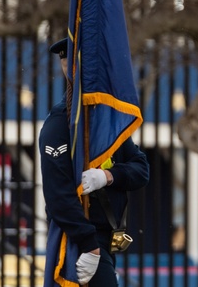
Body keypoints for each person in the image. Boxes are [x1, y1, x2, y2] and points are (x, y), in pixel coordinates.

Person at [39, 39, 149, 287]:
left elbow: (141, 169)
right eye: (66, 61)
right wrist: (89, 245)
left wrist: (108, 177)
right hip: (79, 239)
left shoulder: (107, 119)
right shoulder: (59, 124)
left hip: (105, 238)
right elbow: (58, 196)